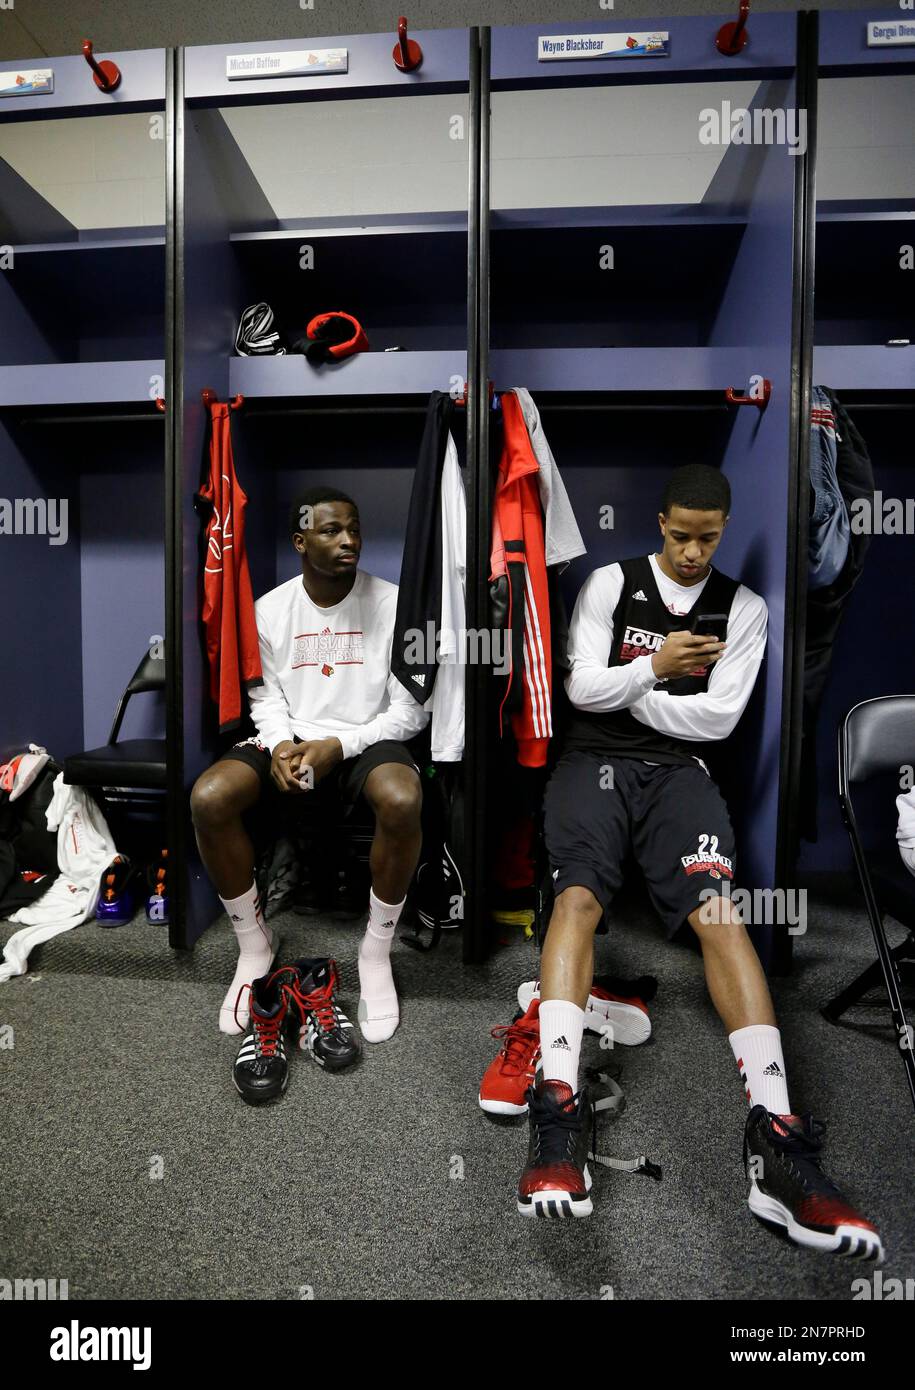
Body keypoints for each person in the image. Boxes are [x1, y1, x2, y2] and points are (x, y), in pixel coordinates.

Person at [517, 463, 884, 1260]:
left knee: (722, 918)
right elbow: (578, 692)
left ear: (721, 531)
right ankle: (559, 1110)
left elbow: (715, 721)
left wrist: (628, 686)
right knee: (577, 899)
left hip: (681, 769)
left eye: (706, 538)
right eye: (680, 535)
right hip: (591, 762)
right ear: (659, 523)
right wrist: (654, 667)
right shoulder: (609, 585)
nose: (691, 552)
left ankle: (776, 1138)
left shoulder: (742, 607)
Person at [190, 486, 428, 1043]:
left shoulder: (394, 604)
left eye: (354, 528)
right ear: (301, 542)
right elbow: (265, 698)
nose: (349, 540)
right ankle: (254, 947)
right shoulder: (271, 610)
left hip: (364, 741)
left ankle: (374, 951)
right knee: (210, 796)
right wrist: (279, 746)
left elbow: (411, 712)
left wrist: (338, 747)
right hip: (289, 740)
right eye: (331, 531)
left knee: (402, 796)